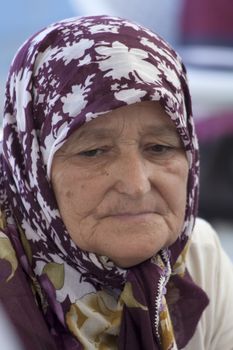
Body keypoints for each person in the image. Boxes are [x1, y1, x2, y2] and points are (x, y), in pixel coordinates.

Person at [0, 15, 232, 350]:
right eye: (93, 152)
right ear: (33, 168)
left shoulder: (197, 259)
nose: (137, 185)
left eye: (159, 148)